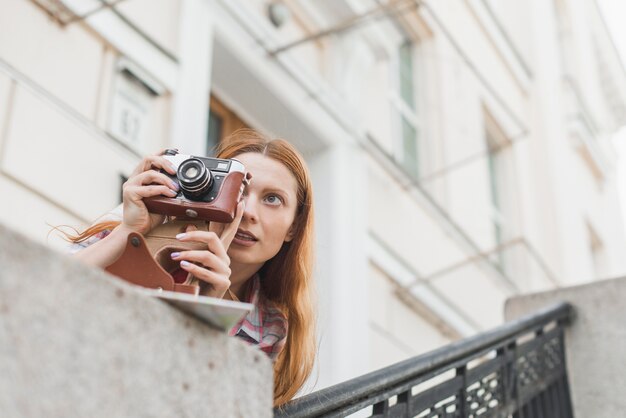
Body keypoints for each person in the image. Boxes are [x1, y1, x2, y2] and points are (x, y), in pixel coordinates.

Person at [69, 129, 316, 406]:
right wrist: (127, 231)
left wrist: (210, 308)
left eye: (272, 199)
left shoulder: (267, 326)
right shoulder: (135, 231)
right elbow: (42, 285)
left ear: (293, 227)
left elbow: (202, 405)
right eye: (240, 189)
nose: (247, 211)